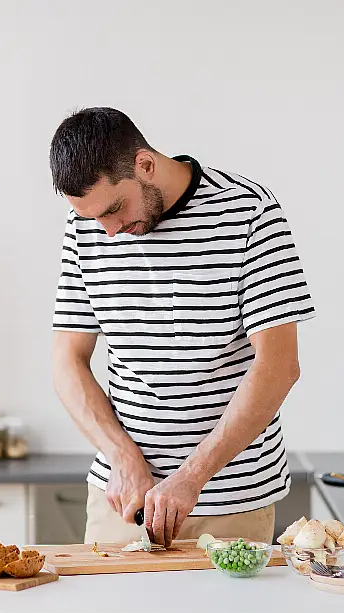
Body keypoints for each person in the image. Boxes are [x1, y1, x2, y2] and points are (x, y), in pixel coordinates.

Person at [49, 107, 315, 547]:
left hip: (231, 503)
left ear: (146, 164)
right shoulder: (88, 226)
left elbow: (279, 365)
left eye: (115, 210)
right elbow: (67, 361)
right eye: (94, 218)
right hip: (122, 497)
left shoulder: (250, 212)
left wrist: (191, 479)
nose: (108, 232)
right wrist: (121, 456)